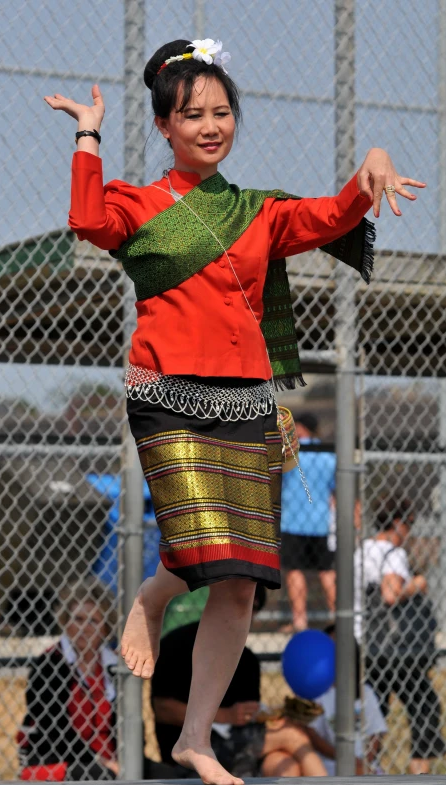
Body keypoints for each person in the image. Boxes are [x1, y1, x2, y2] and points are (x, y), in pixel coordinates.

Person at [45, 36, 424, 785]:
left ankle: (193, 738)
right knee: (198, 543)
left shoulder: (257, 211)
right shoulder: (141, 204)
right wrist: (87, 135)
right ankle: (153, 594)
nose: (211, 125)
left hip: (248, 403)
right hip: (167, 396)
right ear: (164, 125)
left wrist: (368, 167)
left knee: (242, 580)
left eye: (222, 113)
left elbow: (325, 217)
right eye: (194, 115)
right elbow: (88, 221)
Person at [152, 584, 328, 777]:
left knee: (283, 763)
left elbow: (247, 721)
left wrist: (268, 718)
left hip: (237, 746)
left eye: (253, 607)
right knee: (295, 737)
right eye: (240, 602)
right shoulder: (177, 644)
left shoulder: (248, 659)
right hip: (186, 752)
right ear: (216, 602)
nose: (244, 612)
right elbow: (162, 709)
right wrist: (225, 715)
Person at [354, 500, 445, 775]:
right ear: (396, 523)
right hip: (395, 647)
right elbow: (391, 594)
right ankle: (420, 772)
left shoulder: (361, 550)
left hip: (365, 642)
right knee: (425, 705)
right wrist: (417, 584)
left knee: (375, 705)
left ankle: (368, 767)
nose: (409, 532)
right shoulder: (392, 553)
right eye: (408, 525)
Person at [17, 579, 118, 781]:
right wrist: (101, 762)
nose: (85, 628)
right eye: (78, 619)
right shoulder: (48, 664)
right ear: (65, 621)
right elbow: (53, 729)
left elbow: (129, 724)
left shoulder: (114, 667)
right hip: (54, 759)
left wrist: (129, 760)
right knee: (100, 776)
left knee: (170, 775)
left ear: (105, 628)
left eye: (93, 621)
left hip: (111, 760)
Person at [280, 413, 336, 631]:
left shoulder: (290, 451)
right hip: (321, 520)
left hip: (293, 520)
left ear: (300, 428)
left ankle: (299, 620)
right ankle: (336, 615)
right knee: (326, 570)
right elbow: (333, 490)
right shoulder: (328, 455)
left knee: (295, 569)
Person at [306, 626, 387, 775]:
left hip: (364, 762)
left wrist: (364, 762)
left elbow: (375, 733)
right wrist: (345, 759)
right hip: (331, 764)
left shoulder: (365, 692)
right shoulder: (318, 693)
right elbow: (314, 737)